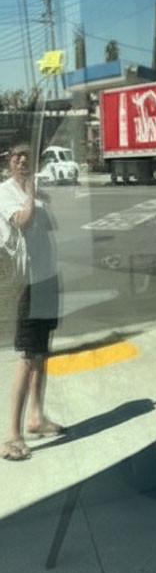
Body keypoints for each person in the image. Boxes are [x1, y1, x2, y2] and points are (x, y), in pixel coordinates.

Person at [0, 144, 64, 461]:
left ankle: (36, 416)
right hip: (28, 283)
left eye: (27, 156)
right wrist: (30, 195)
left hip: (47, 278)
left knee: (42, 352)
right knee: (27, 356)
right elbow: (23, 221)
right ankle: (11, 434)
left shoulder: (33, 191)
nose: (23, 161)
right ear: (8, 163)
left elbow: (50, 226)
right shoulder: (6, 192)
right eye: (17, 157)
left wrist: (39, 194)